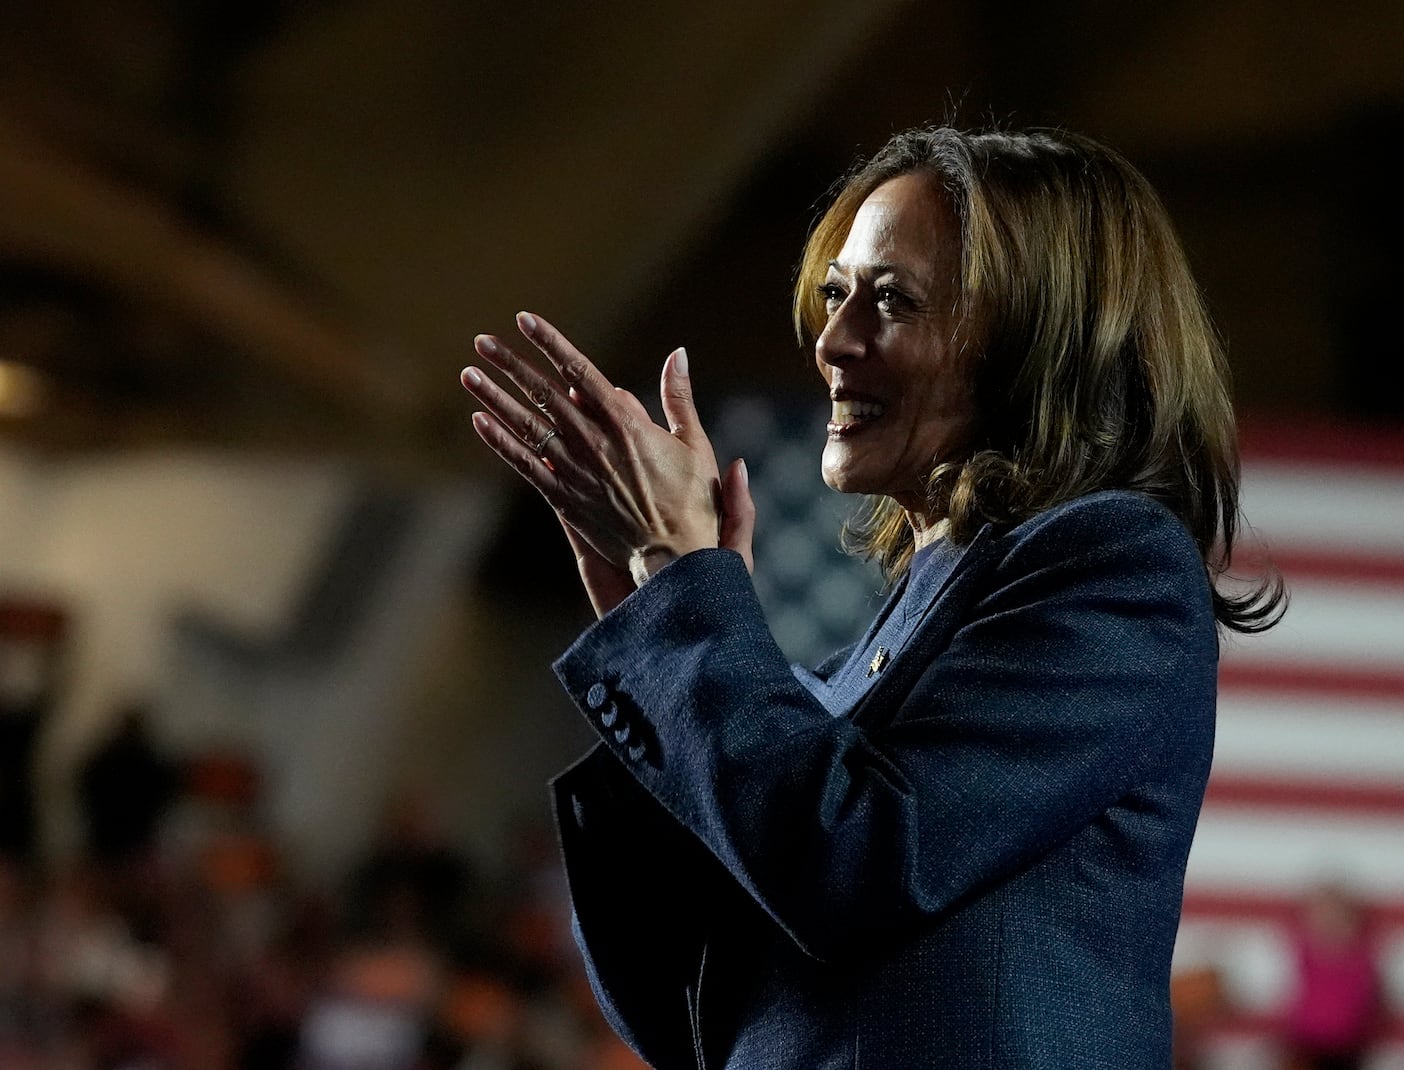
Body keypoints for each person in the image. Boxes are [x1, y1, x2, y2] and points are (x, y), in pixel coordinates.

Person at [460, 126, 1282, 1069]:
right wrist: (653, 618)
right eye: (836, 295)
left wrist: (686, 606)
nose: (835, 341)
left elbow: (854, 864)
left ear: (1039, 333)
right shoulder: (877, 648)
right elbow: (686, 1007)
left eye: (891, 299)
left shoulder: (1113, 569)